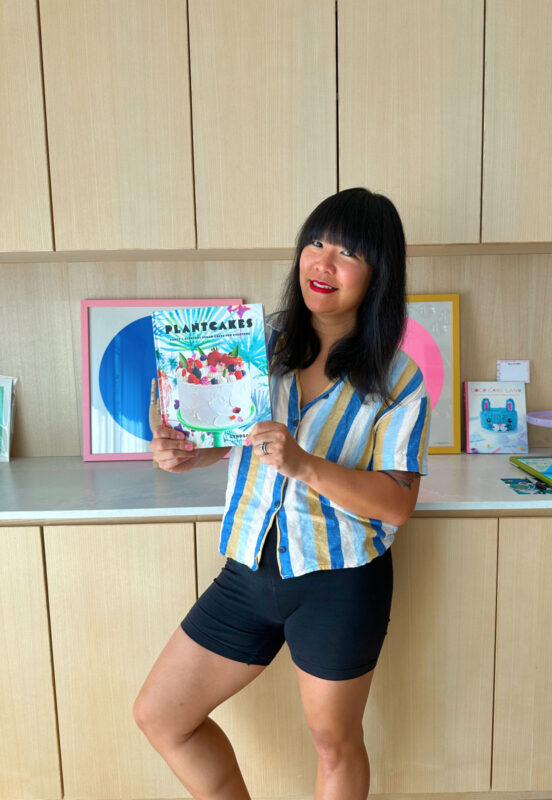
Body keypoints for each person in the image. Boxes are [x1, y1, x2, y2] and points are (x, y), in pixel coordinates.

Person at [133, 187, 431, 800]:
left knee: (333, 742)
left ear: (378, 273)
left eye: (347, 253)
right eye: (315, 244)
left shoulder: (400, 378)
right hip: (247, 570)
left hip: (338, 578)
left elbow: (397, 501)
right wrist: (186, 451)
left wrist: (303, 463)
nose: (322, 264)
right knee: (162, 715)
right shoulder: (257, 346)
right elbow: (231, 438)